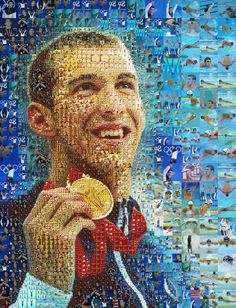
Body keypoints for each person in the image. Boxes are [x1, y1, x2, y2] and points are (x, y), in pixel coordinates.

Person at [11, 30, 179, 307]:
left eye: (125, 85)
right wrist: (43, 289)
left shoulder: (157, 255)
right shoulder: (7, 231)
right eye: (85, 87)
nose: (114, 106)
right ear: (42, 120)